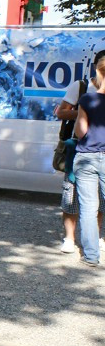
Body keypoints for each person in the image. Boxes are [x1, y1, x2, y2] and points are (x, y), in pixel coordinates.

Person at [57, 51, 105, 255]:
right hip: (77, 148)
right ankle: (70, 238)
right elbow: (61, 112)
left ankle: (94, 240)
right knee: (72, 195)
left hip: (90, 150)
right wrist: (86, 111)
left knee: (96, 202)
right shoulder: (81, 86)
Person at [72, 50, 105, 266]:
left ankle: (91, 256)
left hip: (86, 157)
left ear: (98, 72)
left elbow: (80, 131)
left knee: (88, 208)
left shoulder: (87, 98)